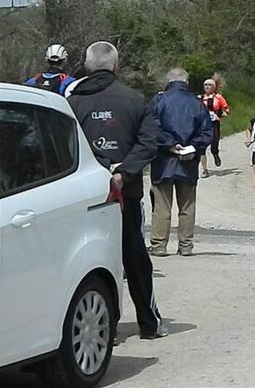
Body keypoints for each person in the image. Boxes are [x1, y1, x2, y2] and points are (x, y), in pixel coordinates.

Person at [68, 41, 168, 339]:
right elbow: (149, 143)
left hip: (81, 195)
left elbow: (65, 146)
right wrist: (123, 173)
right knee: (134, 256)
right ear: (116, 65)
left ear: (87, 66)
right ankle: (149, 323)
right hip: (126, 194)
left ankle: (101, 328)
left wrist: (97, 168)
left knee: (85, 259)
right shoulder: (135, 100)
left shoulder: (72, 104)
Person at [149, 67, 213, 257]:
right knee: (187, 206)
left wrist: (170, 145)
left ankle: (159, 245)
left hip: (163, 159)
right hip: (189, 160)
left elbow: (151, 127)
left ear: (168, 82)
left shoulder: (159, 100)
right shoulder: (197, 103)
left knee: (162, 205)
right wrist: (192, 147)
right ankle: (185, 245)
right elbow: (207, 132)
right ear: (186, 82)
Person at [200, 75, 230, 178]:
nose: (207, 87)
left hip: (214, 123)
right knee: (201, 147)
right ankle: (205, 169)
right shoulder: (200, 98)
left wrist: (221, 114)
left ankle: (215, 154)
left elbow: (227, 110)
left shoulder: (218, 98)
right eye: (205, 85)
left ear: (213, 87)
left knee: (214, 142)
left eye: (209, 85)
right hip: (202, 125)